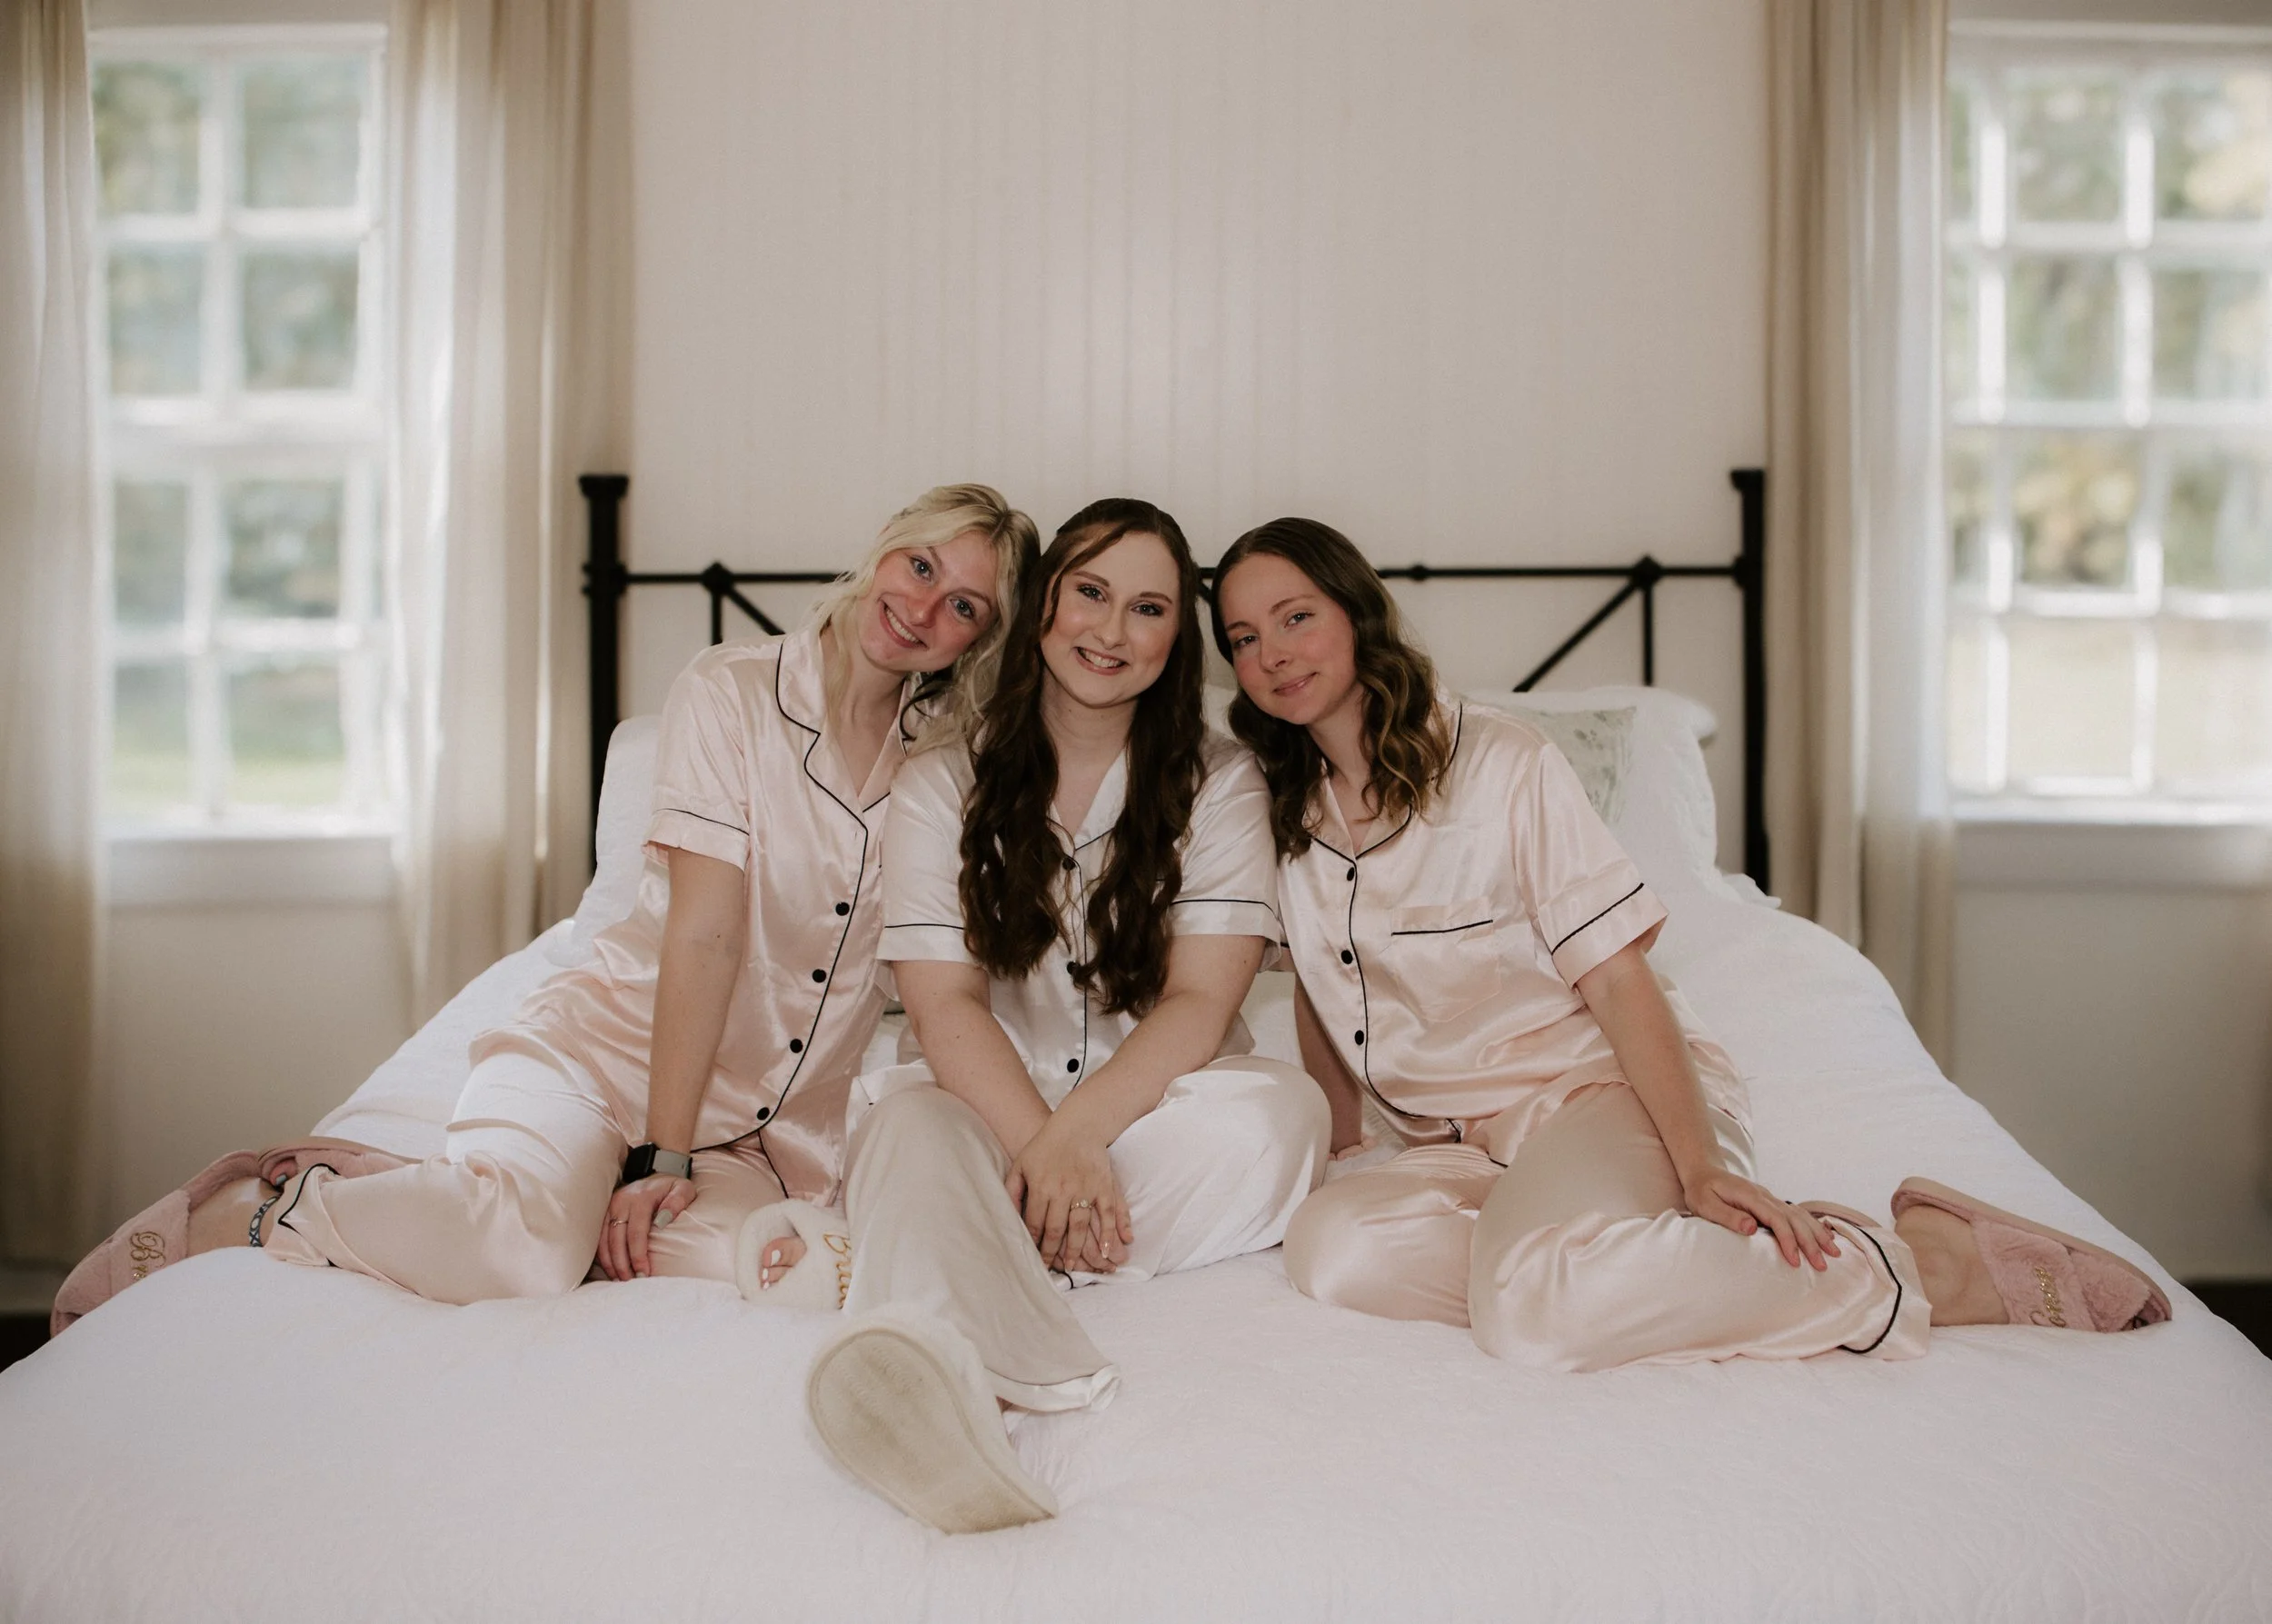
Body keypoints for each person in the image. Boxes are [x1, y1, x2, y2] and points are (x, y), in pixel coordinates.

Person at [1208, 515, 2170, 1373]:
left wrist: (1703, 1166)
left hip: (1591, 1090)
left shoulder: (1502, 762)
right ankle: (1579, 1259)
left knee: (1533, 1313)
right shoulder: (1286, 810)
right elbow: (1324, 988)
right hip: (1456, 1139)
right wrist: (1343, 1142)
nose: (1272, 654)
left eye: (1295, 616)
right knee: (1332, 1248)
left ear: (1354, 612)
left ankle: (1917, 1266)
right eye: (1244, 639)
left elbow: (1620, 982)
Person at [56, 485, 1035, 1322]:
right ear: (881, 548)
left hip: (769, 1132)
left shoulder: (939, 771)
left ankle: (582, 1208)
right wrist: (663, 1154)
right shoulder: (731, 690)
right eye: (917, 567)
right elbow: (704, 934)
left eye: (962, 606)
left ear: (976, 641)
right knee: (520, 1248)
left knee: (791, 1275)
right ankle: (268, 1209)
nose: (922, 610)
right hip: (604, 1059)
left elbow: (933, 974)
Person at [763, 498, 1329, 1535]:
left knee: (1279, 1117)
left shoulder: (1222, 780)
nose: (1110, 631)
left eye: (1148, 608)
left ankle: (950, 1257)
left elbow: (1204, 999)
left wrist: (1077, 1140)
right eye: (1091, 593)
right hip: (989, 1104)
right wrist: (1042, 1142)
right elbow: (944, 1002)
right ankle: (970, 1383)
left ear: (1176, 639)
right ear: (1041, 610)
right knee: (910, 1122)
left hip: (1152, 1117)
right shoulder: (940, 777)